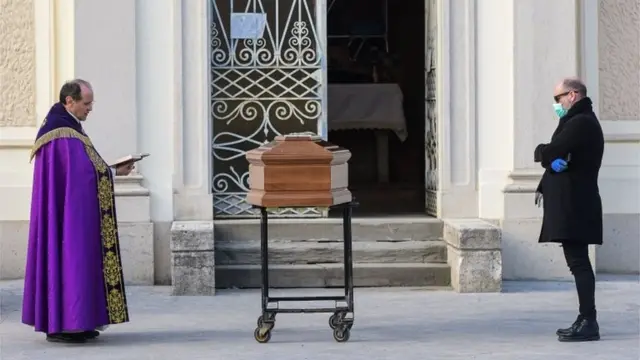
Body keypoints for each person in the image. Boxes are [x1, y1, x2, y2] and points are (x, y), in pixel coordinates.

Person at [22, 79, 135, 343]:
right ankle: (64, 325)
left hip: (66, 212)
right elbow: (83, 174)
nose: (90, 108)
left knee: (73, 261)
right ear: (69, 101)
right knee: (71, 260)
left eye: (91, 103)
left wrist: (110, 171)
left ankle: (78, 322)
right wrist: (113, 171)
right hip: (69, 216)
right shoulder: (63, 133)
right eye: (86, 103)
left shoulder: (67, 127)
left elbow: (83, 168)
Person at [534, 78, 604, 342]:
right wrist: (551, 161)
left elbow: (550, 150)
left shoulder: (580, 122)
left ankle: (589, 320)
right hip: (575, 203)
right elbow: (556, 156)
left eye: (559, 98)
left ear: (573, 95)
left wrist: (543, 153)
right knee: (578, 263)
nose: (557, 104)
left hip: (576, 205)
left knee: (579, 264)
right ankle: (585, 317)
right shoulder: (576, 121)